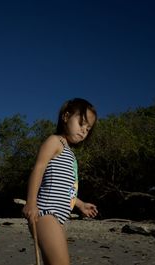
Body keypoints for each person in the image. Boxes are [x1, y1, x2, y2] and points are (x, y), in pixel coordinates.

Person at [23, 98, 99, 265]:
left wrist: (80, 204)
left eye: (88, 128)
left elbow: (66, 188)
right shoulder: (55, 141)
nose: (84, 131)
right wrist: (31, 202)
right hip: (45, 212)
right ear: (66, 117)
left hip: (58, 217)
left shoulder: (70, 153)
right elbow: (38, 168)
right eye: (81, 123)